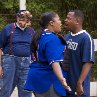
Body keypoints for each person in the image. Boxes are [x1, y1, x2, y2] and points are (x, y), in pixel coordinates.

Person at [24, 12, 71, 97]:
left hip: (37, 76)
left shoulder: (40, 35)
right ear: (51, 23)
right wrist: (62, 80)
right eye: (59, 19)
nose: (61, 22)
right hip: (47, 80)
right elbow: (54, 62)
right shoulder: (52, 39)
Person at [0, 10, 35, 97]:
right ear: (17, 18)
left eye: (27, 18)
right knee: (5, 88)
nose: (24, 20)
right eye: (22, 18)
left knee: (26, 89)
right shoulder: (8, 28)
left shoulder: (31, 31)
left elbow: (34, 48)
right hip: (10, 62)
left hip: (26, 63)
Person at [64, 10, 95, 97]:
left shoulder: (86, 38)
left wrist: (79, 82)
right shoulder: (66, 37)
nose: (65, 20)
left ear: (77, 21)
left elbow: (88, 62)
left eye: (68, 18)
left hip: (79, 88)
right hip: (67, 85)